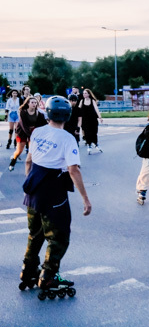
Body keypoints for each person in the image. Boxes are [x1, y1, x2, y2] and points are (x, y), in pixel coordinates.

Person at [19, 96, 92, 300]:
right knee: (58, 236)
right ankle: (48, 276)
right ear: (67, 116)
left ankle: (28, 271)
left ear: (48, 113)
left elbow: (28, 161)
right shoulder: (67, 138)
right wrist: (86, 199)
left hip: (33, 187)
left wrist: (30, 184)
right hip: (53, 190)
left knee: (35, 233)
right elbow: (73, 170)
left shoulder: (37, 132)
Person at [8, 96, 48, 171]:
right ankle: (12, 162)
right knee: (19, 150)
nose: (34, 104)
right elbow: (24, 126)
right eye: (32, 102)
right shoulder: (23, 112)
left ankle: (31, 168)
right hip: (22, 132)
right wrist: (31, 135)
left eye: (35, 103)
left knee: (32, 150)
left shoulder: (39, 113)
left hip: (33, 132)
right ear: (28, 103)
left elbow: (43, 124)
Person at [78, 88, 103, 154]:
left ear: (89, 94)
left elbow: (96, 109)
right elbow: (78, 110)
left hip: (93, 119)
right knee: (86, 132)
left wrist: (100, 117)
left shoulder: (92, 101)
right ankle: (89, 145)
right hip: (85, 120)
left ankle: (96, 143)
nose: (84, 94)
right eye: (83, 93)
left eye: (85, 93)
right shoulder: (81, 101)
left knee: (94, 132)